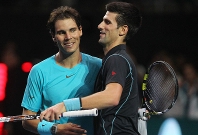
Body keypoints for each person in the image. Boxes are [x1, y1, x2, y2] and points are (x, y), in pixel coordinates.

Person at [40, 2, 142, 135]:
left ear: (123, 30)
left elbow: (112, 97)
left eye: (107, 22)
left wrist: (65, 105)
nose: (100, 26)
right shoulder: (117, 59)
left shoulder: (116, 59)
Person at [20, 6, 102, 135]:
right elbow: (27, 120)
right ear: (53, 36)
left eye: (72, 30)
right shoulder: (39, 71)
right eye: (61, 32)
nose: (68, 37)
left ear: (80, 31)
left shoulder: (99, 66)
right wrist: (55, 129)